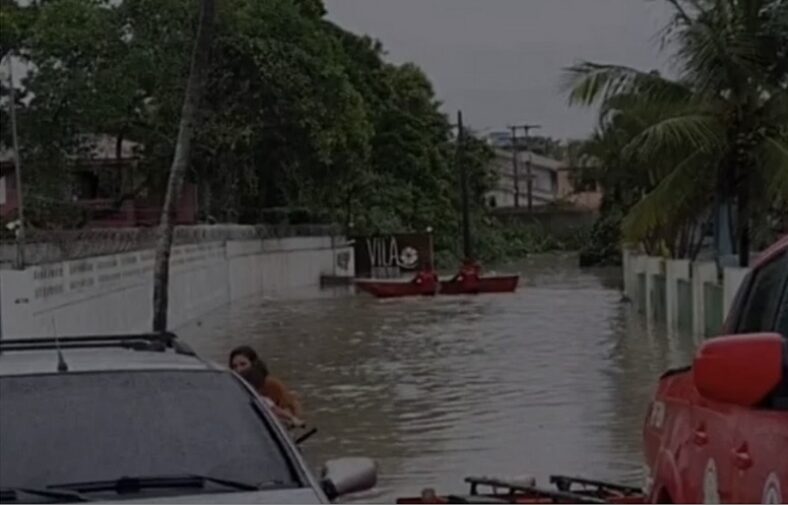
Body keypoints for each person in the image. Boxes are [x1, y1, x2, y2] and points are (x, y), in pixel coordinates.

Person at [229, 346, 304, 424]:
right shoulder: (231, 389)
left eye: (243, 364)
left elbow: (290, 410)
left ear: (254, 364)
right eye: (234, 366)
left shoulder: (271, 384)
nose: (239, 370)